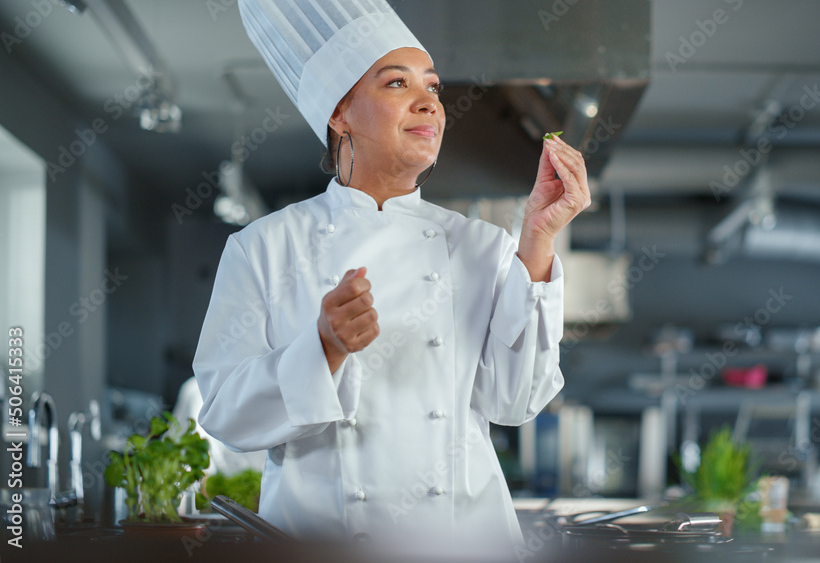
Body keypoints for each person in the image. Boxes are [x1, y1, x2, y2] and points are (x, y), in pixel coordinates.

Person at [192, 0, 589, 555]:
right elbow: (224, 413)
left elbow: (514, 402)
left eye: (432, 85)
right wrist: (323, 348)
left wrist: (540, 241)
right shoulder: (263, 247)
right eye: (397, 82)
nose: (429, 100)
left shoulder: (482, 247)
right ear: (340, 112)